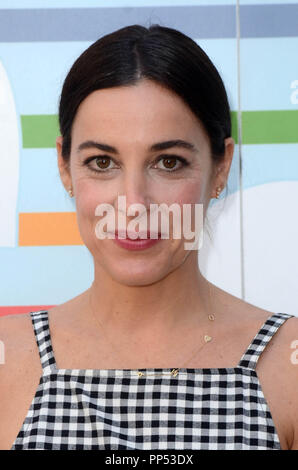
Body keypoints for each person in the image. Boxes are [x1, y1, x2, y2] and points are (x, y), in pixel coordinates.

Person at [0, 24, 297, 451]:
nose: (134, 203)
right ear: (65, 168)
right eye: (102, 161)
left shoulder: (288, 364)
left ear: (220, 167)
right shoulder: (9, 358)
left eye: (169, 162)